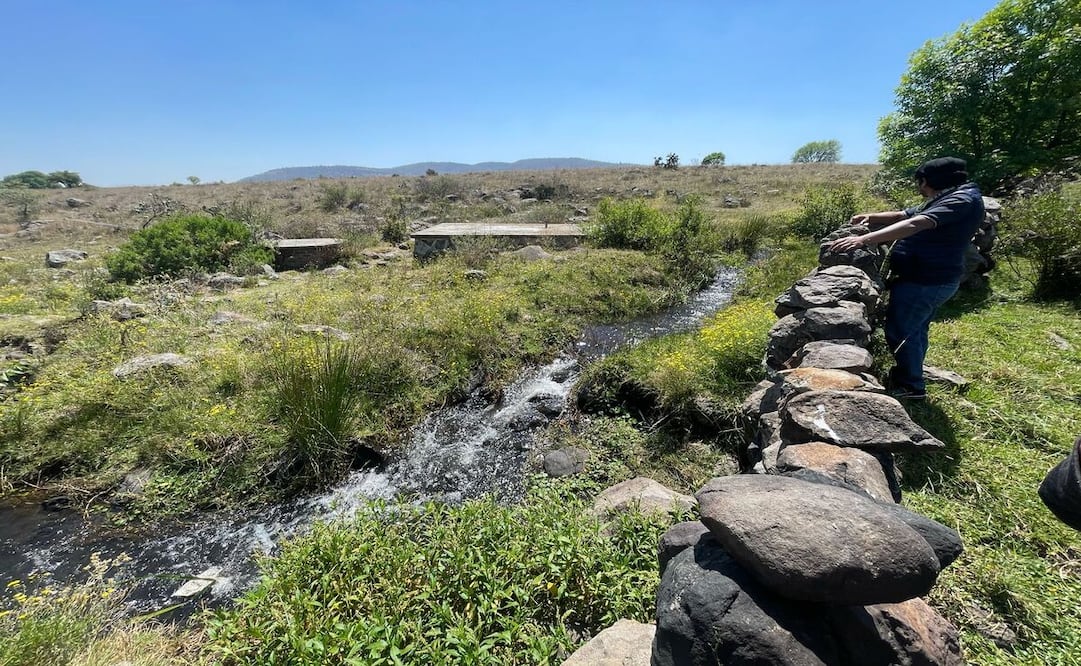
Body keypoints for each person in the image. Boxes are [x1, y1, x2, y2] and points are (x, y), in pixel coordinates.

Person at [827, 157, 985, 400]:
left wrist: (864, 239)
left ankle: (911, 386)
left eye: (920, 182)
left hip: (928, 279)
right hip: (927, 277)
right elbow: (905, 214)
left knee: (904, 331)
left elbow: (916, 222)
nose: (919, 188)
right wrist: (871, 216)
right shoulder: (949, 197)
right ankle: (910, 375)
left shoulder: (961, 200)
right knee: (915, 330)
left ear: (929, 181)